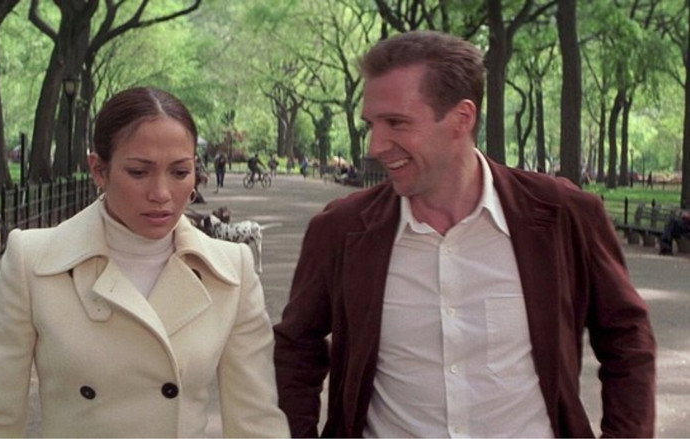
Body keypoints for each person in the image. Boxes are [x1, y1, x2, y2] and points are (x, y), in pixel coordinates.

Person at [274, 30, 655, 438]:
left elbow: (627, 338)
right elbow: (297, 346)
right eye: (372, 124)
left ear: (462, 118)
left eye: (396, 123)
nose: (376, 145)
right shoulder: (341, 230)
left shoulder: (563, 216)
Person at [0, 87, 289, 437]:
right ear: (99, 170)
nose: (161, 194)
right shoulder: (33, 261)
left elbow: (256, 422)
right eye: (138, 172)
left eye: (179, 172)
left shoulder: (231, 270)